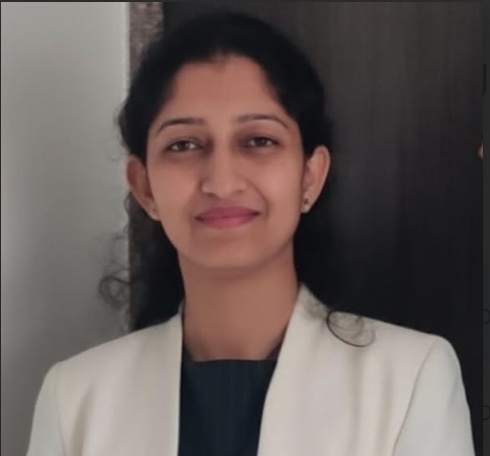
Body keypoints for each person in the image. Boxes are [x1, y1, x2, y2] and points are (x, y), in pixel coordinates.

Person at [26, 11, 475, 456]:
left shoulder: (410, 378)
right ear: (145, 187)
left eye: (259, 141)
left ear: (310, 176)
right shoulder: (75, 398)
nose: (222, 183)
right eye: (184, 145)